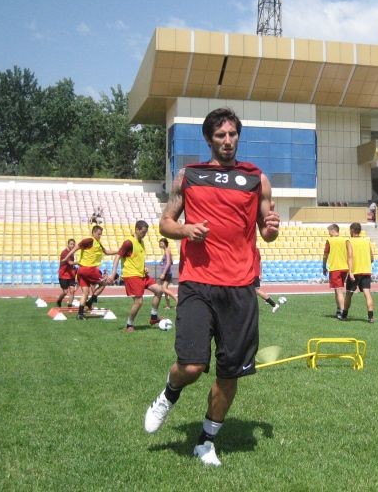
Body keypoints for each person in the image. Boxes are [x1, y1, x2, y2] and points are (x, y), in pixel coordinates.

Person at [143, 107, 280, 467]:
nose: (228, 140)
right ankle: (169, 393)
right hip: (197, 282)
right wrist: (185, 230)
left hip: (240, 286)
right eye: (220, 135)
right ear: (209, 139)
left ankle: (206, 441)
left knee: (230, 373)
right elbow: (165, 223)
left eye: (232, 134)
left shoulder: (256, 179)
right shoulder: (189, 176)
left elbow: (266, 230)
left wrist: (271, 229)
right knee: (191, 365)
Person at [110, 220, 163, 332]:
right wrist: (113, 273)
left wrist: (144, 267)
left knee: (159, 290)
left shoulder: (141, 242)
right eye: (143, 232)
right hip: (132, 276)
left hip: (142, 275)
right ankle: (129, 325)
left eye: (146, 232)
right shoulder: (128, 242)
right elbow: (117, 257)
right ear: (137, 229)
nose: (144, 235)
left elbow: (138, 258)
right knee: (139, 301)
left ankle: (154, 317)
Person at [65, 225, 117, 320]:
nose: (99, 236)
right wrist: (66, 257)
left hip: (81, 270)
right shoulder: (90, 240)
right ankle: (90, 302)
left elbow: (106, 252)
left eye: (101, 234)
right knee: (105, 282)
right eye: (98, 234)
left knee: (85, 292)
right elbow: (76, 247)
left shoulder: (98, 243)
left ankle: (80, 314)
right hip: (89, 269)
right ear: (93, 233)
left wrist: (119, 251)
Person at [344, 222, 375, 323]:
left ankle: (344, 315)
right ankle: (371, 317)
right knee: (367, 293)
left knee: (349, 293)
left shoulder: (349, 241)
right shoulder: (367, 240)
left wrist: (350, 271)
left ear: (352, 230)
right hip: (366, 271)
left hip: (355, 271)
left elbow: (350, 257)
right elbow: (372, 258)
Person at [323, 223, 349, 320]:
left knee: (339, 291)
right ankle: (338, 309)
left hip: (335, 268)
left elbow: (325, 254)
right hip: (344, 268)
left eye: (329, 231)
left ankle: (343, 312)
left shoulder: (330, 240)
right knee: (337, 290)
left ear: (333, 231)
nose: (328, 233)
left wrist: (324, 266)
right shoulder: (345, 240)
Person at [154, 238, 178, 322]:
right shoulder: (167, 250)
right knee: (165, 290)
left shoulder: (167, 250)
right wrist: (162, 260)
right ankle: (168, 305)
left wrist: (163, 273)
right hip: (167, 273)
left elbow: (168, 263)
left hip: (167, 273)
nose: (160, 245)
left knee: (163, 288)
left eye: (161, 243)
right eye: (159, 243)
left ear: (165, 243)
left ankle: (177, 300)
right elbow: (171, 261)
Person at [56, 238, 77, 307]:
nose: (72, 246)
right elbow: (70, 263)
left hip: (71, 275)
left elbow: (71, 265)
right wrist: (79, 262)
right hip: (63, 275)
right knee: (65, 292)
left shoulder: (72, 253)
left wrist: (75, 268)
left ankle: (70, 305)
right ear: (68, 244)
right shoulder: (65, 252)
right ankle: (59, 300)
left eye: (73, 244)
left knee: (72, 290)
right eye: (71, 244)